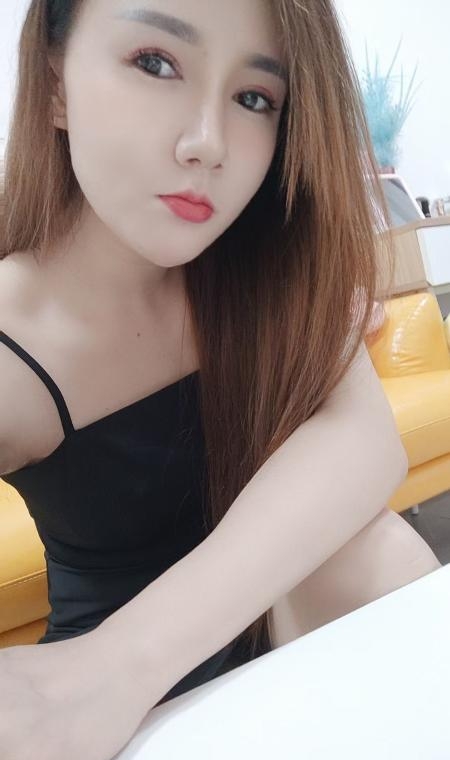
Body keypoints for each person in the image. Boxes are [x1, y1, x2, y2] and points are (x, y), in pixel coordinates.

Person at [0, 1, 441, 758]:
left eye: (254, 98)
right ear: (55, 85)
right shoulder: (16, 337)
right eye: (155, 63)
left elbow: (363, 444)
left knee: (378, 554)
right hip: (107, 711)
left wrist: (118, 666)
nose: (208, 143)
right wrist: (86, 686)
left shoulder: (265, 260)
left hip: (228, 640)